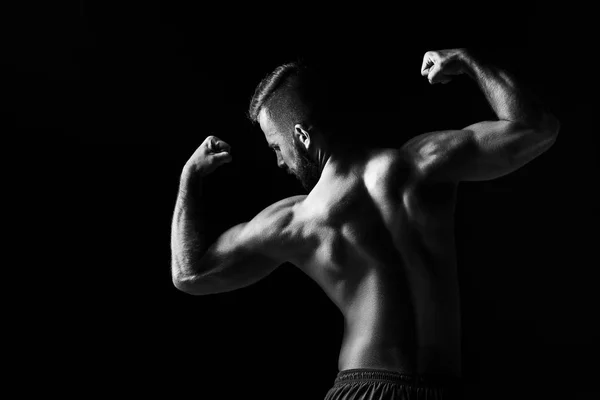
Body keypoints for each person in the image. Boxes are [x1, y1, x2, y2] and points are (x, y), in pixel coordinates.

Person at [170, 48, 559, 399]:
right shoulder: (424, 163)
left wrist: (190, 176)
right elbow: (535, 127)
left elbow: (189, 275)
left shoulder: (298, 218)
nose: (279, 163)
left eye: (276, 147)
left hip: (364, 391)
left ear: (302, 136)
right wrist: (468, 60)